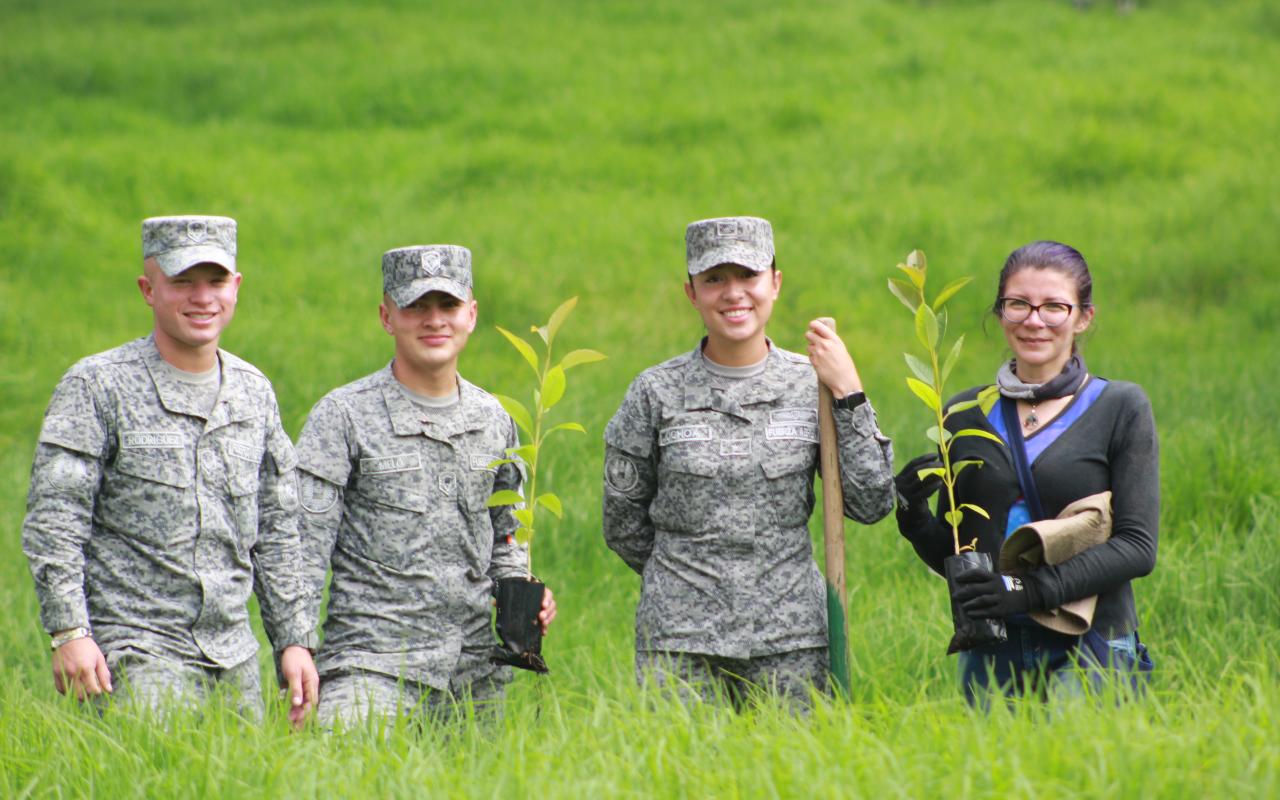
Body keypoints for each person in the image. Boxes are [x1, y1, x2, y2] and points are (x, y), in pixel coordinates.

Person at [21, 215, 319, 723]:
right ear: (148, 289)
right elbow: (56, 520)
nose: (202, 297)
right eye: (183, 281)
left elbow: (277, 530)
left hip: (234, 657)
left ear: (236, 287)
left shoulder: (254, 392)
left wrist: (294, 641)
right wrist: (70, 632)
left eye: (216, 280)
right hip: (135, 653)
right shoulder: (97, 386)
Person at [602, 216, 895, 708]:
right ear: (691, 292)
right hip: (679, 642)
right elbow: (622, 522)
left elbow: (871, 501)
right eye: (714, 279)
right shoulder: (655, 392)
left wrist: (849, 391)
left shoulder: (814, 384)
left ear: (775, 283)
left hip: (793, 639)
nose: (733, 293)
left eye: (748, 276)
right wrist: (686, 579)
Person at [295, 244, 556, 728]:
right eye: (416, 306)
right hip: (371, 663)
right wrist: (297, 645)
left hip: (475, 671)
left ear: (471, 315)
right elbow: (302, 550)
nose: (434, 320)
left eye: (449, 306)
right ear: (386, 316)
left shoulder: (494, 420)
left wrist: (525, 589)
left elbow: (505, 538)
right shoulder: (345, 416)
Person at [894, 241, 1157, 704]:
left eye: (1054, 306)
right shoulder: (962, 414)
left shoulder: (1119, 407)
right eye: (1018, 304)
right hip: (994, 649)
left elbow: (1137, 547)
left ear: (1083, 318)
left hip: (1090, 645)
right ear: (1000, 312)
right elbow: (963, 558)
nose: (1034, 320)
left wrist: (1027, 590)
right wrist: (916, 522)